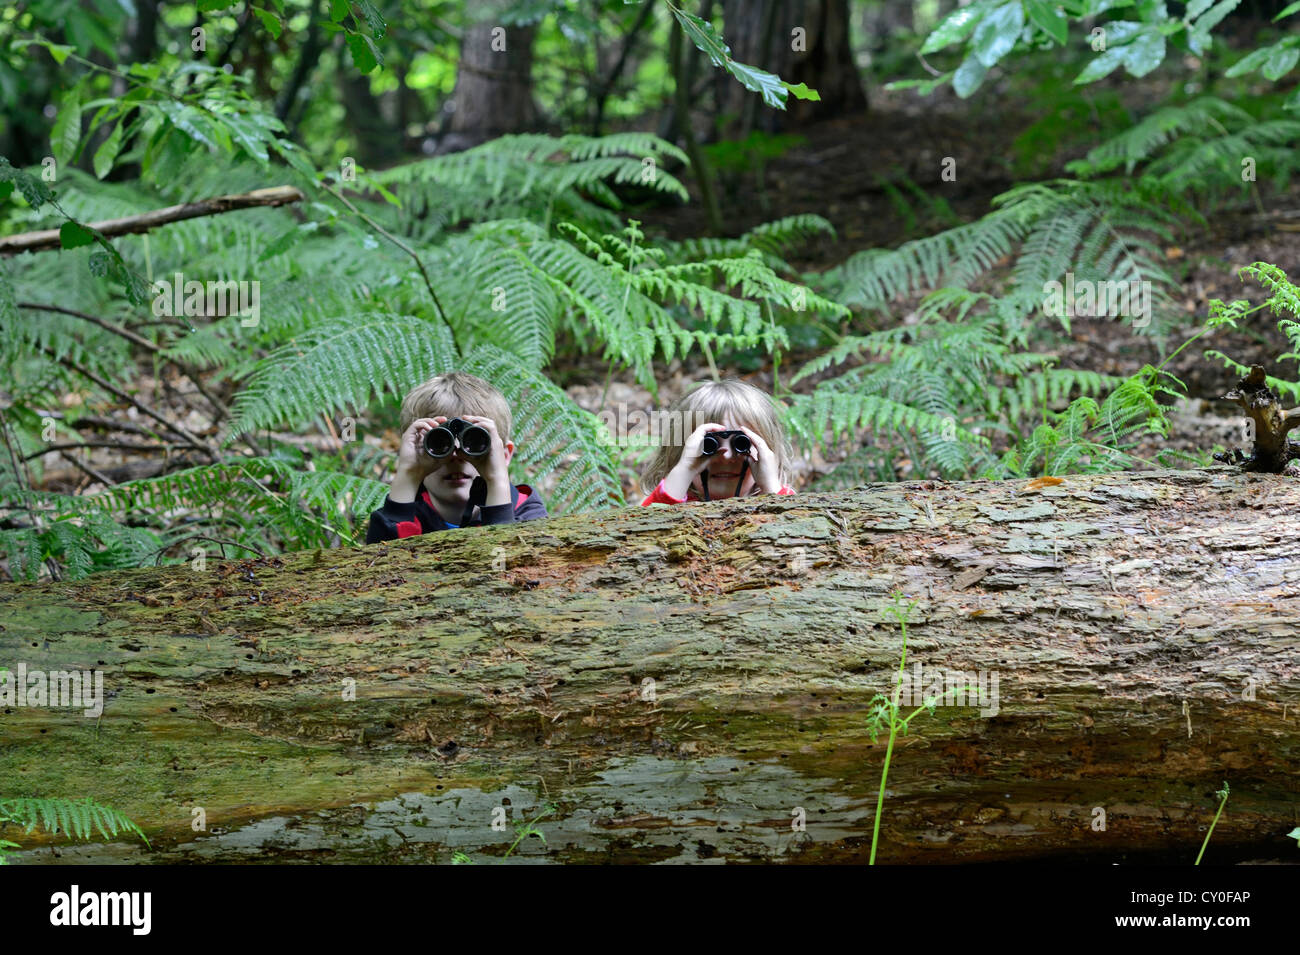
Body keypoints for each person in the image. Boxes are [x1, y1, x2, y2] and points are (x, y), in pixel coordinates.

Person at [366, 372, 546, 542]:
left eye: (475, 442)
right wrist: (409, 474)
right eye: (438, 443)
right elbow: (380, 561)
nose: (456, 456)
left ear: (504, 455)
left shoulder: (526, 512)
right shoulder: (406, 513)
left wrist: (496, 480)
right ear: (412, 451)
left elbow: (514, 564)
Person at [640, 379, 796, 505]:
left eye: (742, 444)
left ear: (766, 452)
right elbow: (644, 531)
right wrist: (684, 470)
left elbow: (797, 536)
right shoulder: (672, 500)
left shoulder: (782, 498)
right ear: (679, 452)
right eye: (708, 445)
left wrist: (770, 487)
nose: (726, 456)